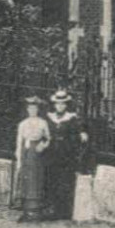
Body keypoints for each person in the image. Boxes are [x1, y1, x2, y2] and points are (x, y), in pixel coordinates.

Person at [45, 89, 84, 221]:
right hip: (51, 152)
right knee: (51, 179)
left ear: (66, 105)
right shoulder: (49, 117)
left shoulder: (71, 118)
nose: (60, 106)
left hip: (66, 154)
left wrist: (80, 135)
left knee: (65, 180)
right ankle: (51, 208)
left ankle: (64, 211)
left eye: (62, 104)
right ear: (54, 105)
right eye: (57, 103)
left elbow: (76, 135)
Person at [11, 95, 50, 223]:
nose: (32, 111)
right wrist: (19, 158)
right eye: (30, 108)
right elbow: (19, 141)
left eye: (35, 108)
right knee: (26, 180)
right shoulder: (23, 124)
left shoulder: (42, 122)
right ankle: (26, 211)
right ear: (27, 109)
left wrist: (43, 145)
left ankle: (36, 212)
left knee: (37, 179)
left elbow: (48, 138)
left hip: (37, 154)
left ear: (38, 110)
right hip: (26, 153)